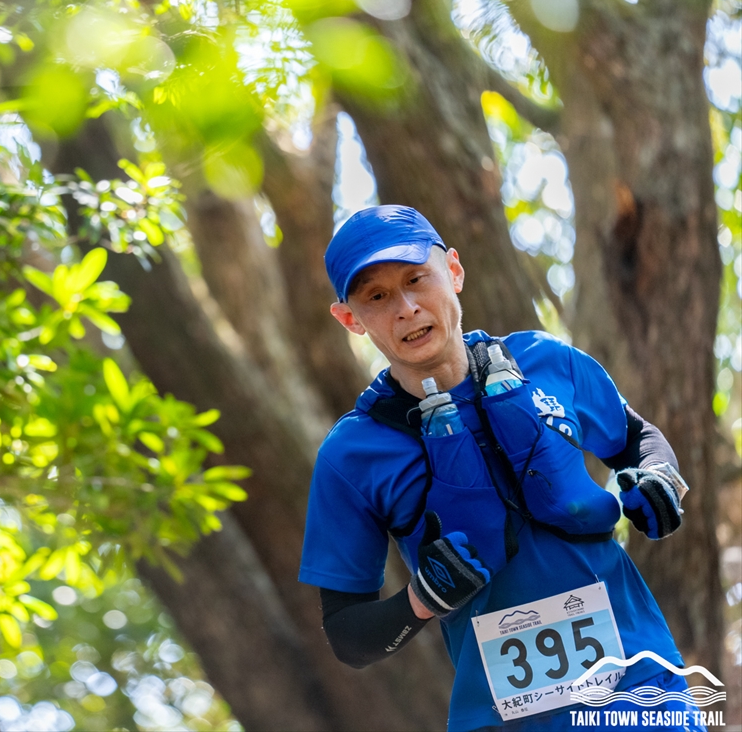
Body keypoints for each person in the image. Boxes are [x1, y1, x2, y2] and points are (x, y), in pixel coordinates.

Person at [299, 205, 703, 732]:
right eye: (376, 296)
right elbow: (348, 636)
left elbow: (636, 439)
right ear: (350, 319)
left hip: (644, 693)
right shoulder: (351, 455)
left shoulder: (548, 361)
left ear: (454, 271)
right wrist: (420, 600)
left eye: (416, 279)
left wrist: (660, 477)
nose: (406, 308)